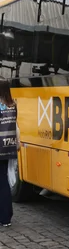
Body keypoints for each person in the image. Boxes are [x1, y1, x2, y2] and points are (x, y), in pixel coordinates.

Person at [0, 79, 19, 227]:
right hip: (8, 146)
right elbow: (16, 126)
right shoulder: (13, 105)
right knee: (4, 180)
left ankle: (4, 216)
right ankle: (6, 216)